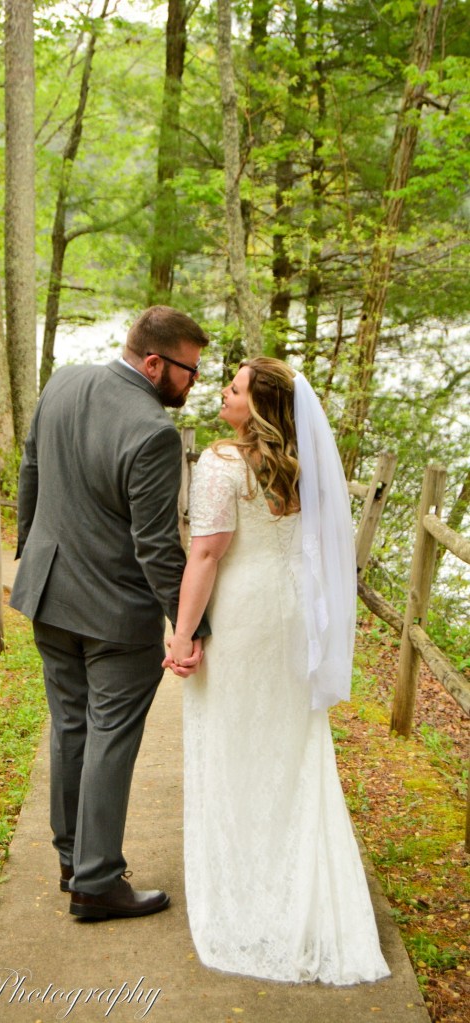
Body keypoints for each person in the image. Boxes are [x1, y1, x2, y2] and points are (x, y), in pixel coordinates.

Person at [164, 357, 391, 984]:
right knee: (289, 747)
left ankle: (250, 891)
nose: (223, 392)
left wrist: (182, 635)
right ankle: (299, 878)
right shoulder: (300, 464)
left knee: (235, 742)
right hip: (292, 615)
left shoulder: (222, 463)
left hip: (244, 615)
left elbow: (205, 556)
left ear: (258, 408)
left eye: (235, 388)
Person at [10, 305, 210, 920]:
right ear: (153, 363)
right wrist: (189, 625)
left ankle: (74, 861)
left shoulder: (63, 381)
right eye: (188, 371)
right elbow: (156, 546)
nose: (193, 383)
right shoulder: (153, 432)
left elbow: (29, 473)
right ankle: (96, 883)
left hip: (49, 594)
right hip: (116, 614)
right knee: (109, 738)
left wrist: (29, 555)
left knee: (71, 727)